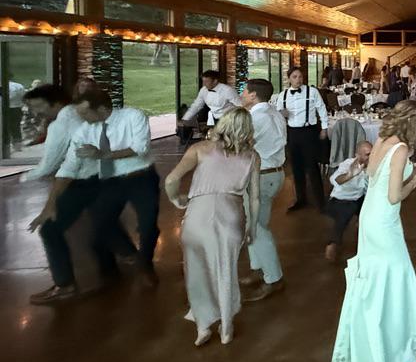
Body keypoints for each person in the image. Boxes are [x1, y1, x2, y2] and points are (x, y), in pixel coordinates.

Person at [325, 101, 416, 362]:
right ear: (412, 121)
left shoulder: (382, 140)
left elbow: (375, 177)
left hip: (370, 216)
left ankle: (389, 330)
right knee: (393, 273)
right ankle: (388, 337)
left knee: (381, 275)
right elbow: (394, 196)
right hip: (383, 220)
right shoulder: (399, 149)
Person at [28, 89, 160, 303]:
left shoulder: (132, 116)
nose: (81, 117)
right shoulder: (84, 130)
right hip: (111, 181)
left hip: (141, 178)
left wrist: (102, 154)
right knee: (101, 224)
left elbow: (141, 148)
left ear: (102, 109)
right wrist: (50, 204)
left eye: (85, 113)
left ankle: (145, 266)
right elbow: (69, 167)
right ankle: (117, 269)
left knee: (148, 225)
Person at [165, 107, 259, 346]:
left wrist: (176, 199)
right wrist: (254, 227)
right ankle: (226, 326)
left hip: (197, 215)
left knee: (197, 271)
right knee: (225, 271)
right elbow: (255, 197)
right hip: (231, 215)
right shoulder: (252, 156)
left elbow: (171, 179)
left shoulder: (199, 149)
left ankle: (203, 324)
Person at [239, 78, 287, 301]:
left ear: (253, 95)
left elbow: (239, 144)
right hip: (274, 173)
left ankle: (273, 278)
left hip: (262, 176)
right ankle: (258, 266)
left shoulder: (255, 118)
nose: (242, 94)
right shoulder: (274, 112)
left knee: (256, 228)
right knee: (257, 223)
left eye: (244, 91)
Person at [275, 66, 329, 212]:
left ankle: (321, 202)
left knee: (312, 167)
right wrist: (282, 114)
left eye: (300, 76)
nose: (298, 79)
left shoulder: (312, 91)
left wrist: (324, 128)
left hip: (309, 132)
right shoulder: (283, 95)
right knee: (297, 168)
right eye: (294, 77)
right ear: (289, 79)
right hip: (292, 133)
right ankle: (301, 199)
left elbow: (322, 109)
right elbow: (277, 113)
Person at [19, 84, 79, 184]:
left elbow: (49, 166)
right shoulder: (76, 113)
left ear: (57, 103)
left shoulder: (62, 123)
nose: (36, 113)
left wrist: (24, 178)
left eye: (38, 106)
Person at [324, 140, 372, 262]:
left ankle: (364, 227)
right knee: (345, 214)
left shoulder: (372, 166)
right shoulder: (348, 164)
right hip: (341, 200)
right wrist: (350, 175)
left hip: (359, 198)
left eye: (372, 153)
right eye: (367, 154)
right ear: (357, 155)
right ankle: (333, 244)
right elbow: (335, 179)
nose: (370, 157)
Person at [7, 78, 26, 151]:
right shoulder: (19, 86)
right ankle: (17, 145)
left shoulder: (4, 86)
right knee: (16, 127)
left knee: (6, 127)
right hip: (17, 108)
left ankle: (7, 144)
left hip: (6, 108)